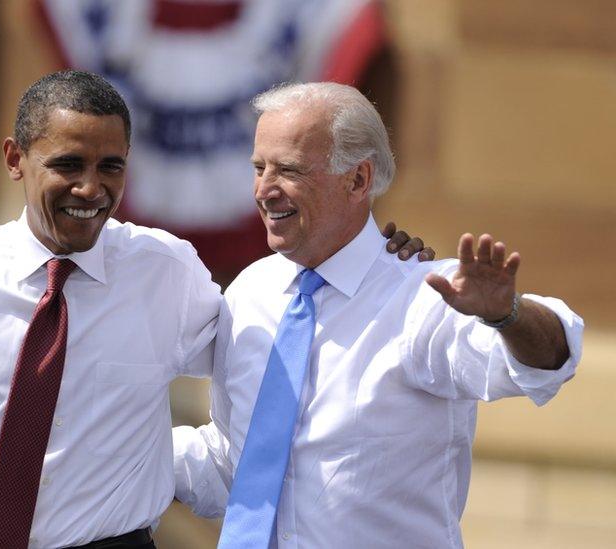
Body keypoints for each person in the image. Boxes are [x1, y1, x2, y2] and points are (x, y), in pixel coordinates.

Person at [0, 71, 426, 548]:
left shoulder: (164, 269)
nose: (90, 188)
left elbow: (274, 335)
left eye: (110, 167)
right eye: (67, 164)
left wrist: (371, 257)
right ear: (15, 158)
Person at [172, 82, 584, 548]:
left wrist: (506, 315)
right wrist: (108, 451)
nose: (264, 190)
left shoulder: (428, 295)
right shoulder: (250, 291)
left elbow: (550, 362)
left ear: (358, 180)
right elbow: (236, 460)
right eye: (259, 167)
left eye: (288, 170)